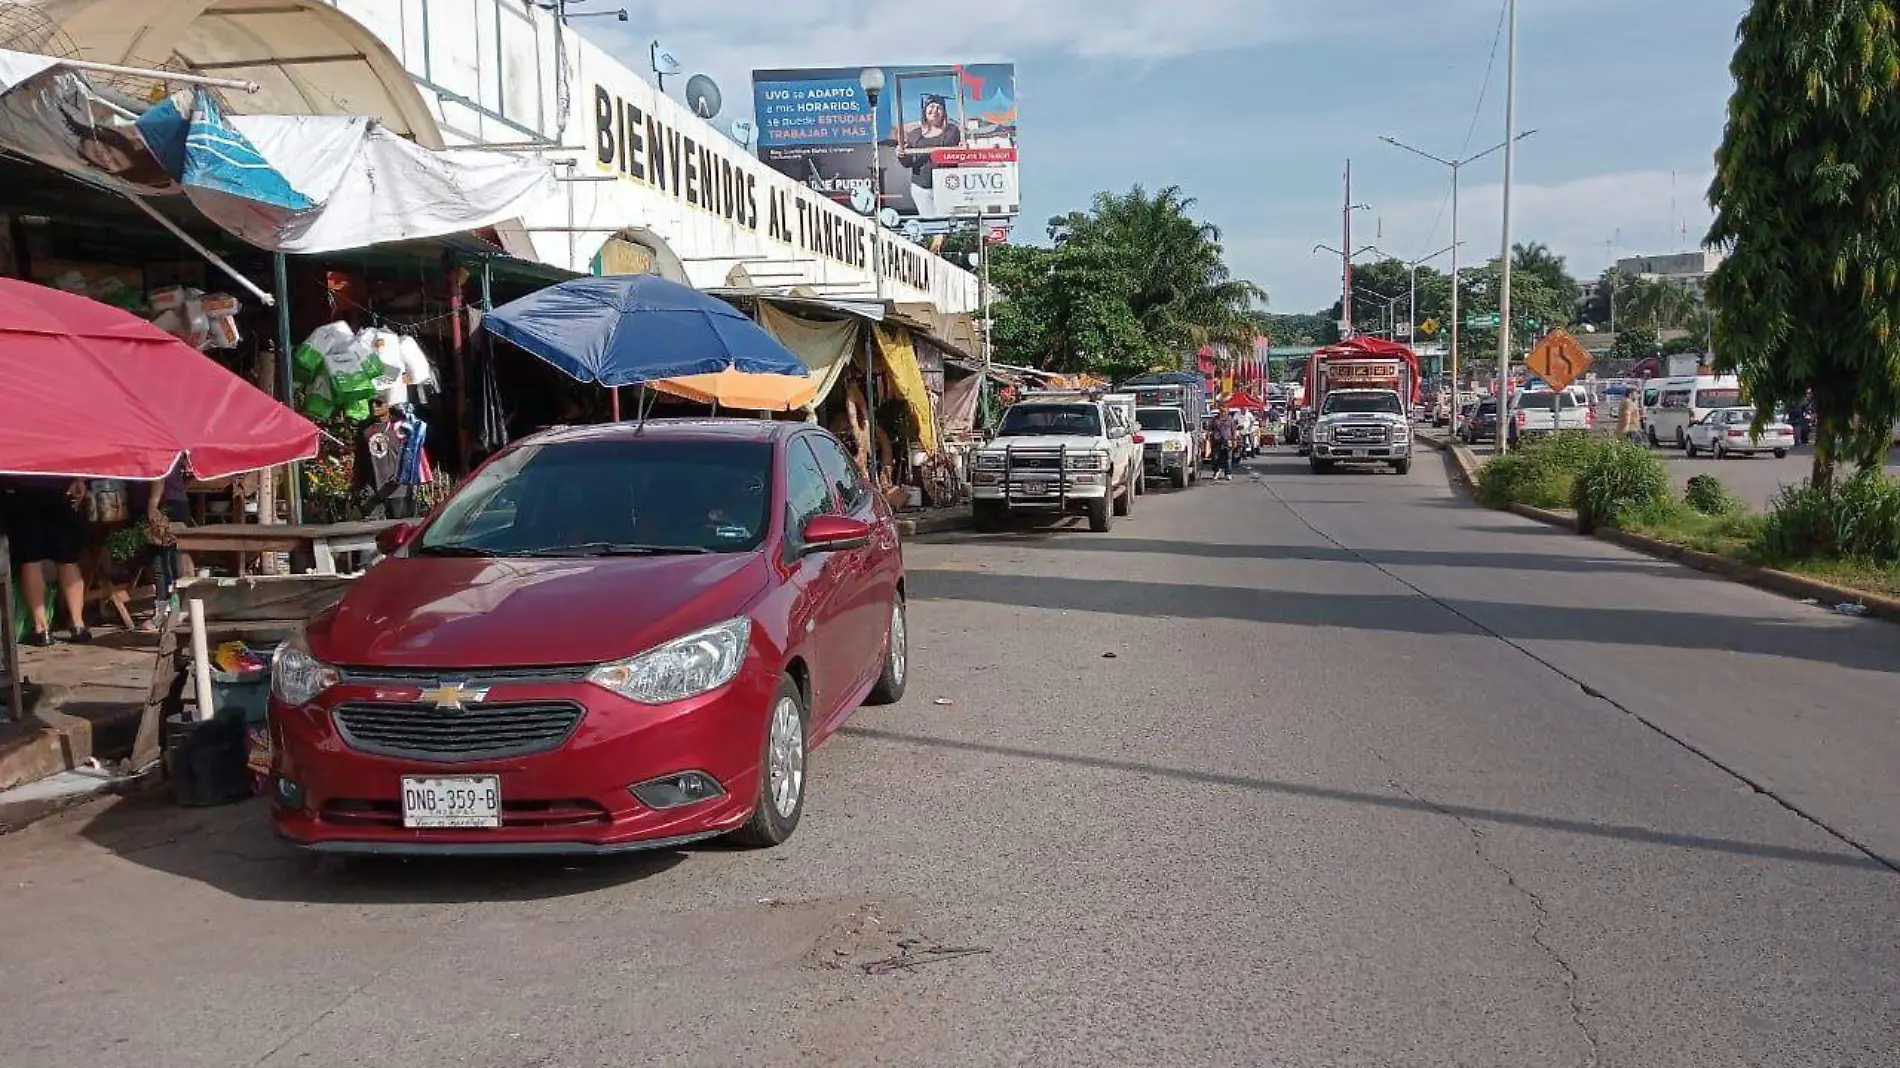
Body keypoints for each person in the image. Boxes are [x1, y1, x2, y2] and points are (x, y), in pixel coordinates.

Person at [1, 476, 91, 644]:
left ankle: (42, 629)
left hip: (21, 487)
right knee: (67, 559)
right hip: (59, 486)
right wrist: (79, 479)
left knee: (30, 559)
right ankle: (78, 626)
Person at [137, 460, 193, 631]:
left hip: (164, 505)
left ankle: (168, 614)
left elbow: (158, 471)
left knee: (165, 564)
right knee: (167, 563)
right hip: (172, 500)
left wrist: (153, 504)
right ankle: (174, 611)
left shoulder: (153, 442)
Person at [897, 94, 961, 217]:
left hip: (947, 186)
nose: (935, 111)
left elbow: (952, 147)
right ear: (924, 110)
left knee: (947, 222)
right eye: (931, 107)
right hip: (921, 187)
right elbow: (908, 163)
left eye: (939, 108)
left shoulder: (952, 131)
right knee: (931, 224)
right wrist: (901, 155)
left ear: (944, 112)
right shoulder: (914, 134)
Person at [353, 399, 416, 520]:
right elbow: (359, 460)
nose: (373, 406)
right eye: (371, 402)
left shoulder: (400, 426)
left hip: (398, 489)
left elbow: (411, 456)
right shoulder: (364, 429)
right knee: (372, 532)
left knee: (400, 528)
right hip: (372, 490)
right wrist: (356, 486)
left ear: (389, 404)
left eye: (378, 402)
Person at [1212, 410, 1238, 481]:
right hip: (1217, 441)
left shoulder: (1230, 419)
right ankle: (1216, 472)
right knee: (1215, 458)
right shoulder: (1215, 419)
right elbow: (1211, 429)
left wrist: (1234, 440)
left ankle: (1228, 473)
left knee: (1228, 458)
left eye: (1224, 411)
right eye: (1221, 411)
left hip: (1228, 440)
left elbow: (1234, 431)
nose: (1223, 413)